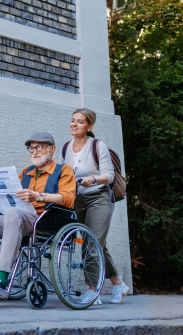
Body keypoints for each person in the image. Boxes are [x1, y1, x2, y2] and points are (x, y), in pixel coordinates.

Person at [0, 132, 75, 297]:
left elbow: (68, 199)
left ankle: (1, 277)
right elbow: (10, 193)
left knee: (13, 213)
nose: (34, 151)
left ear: (52, 149)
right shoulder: (27, 171)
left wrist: (38, 196)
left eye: (39, 147)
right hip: (17, 219)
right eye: (31, 148)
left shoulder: (64, 170)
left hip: (44, 221)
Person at [62, 107, 129, 305]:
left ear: (89, 126)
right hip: (77, 201)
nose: (74, 124)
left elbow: (110, 176)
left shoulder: (97, 145)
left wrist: (93, 178)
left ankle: (93, 289)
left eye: (80, 121)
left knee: (91, 244)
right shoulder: (66, 147)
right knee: (97, 244)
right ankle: (118, 284)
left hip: (99, 198)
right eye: (73, 120)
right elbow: (63, 175)